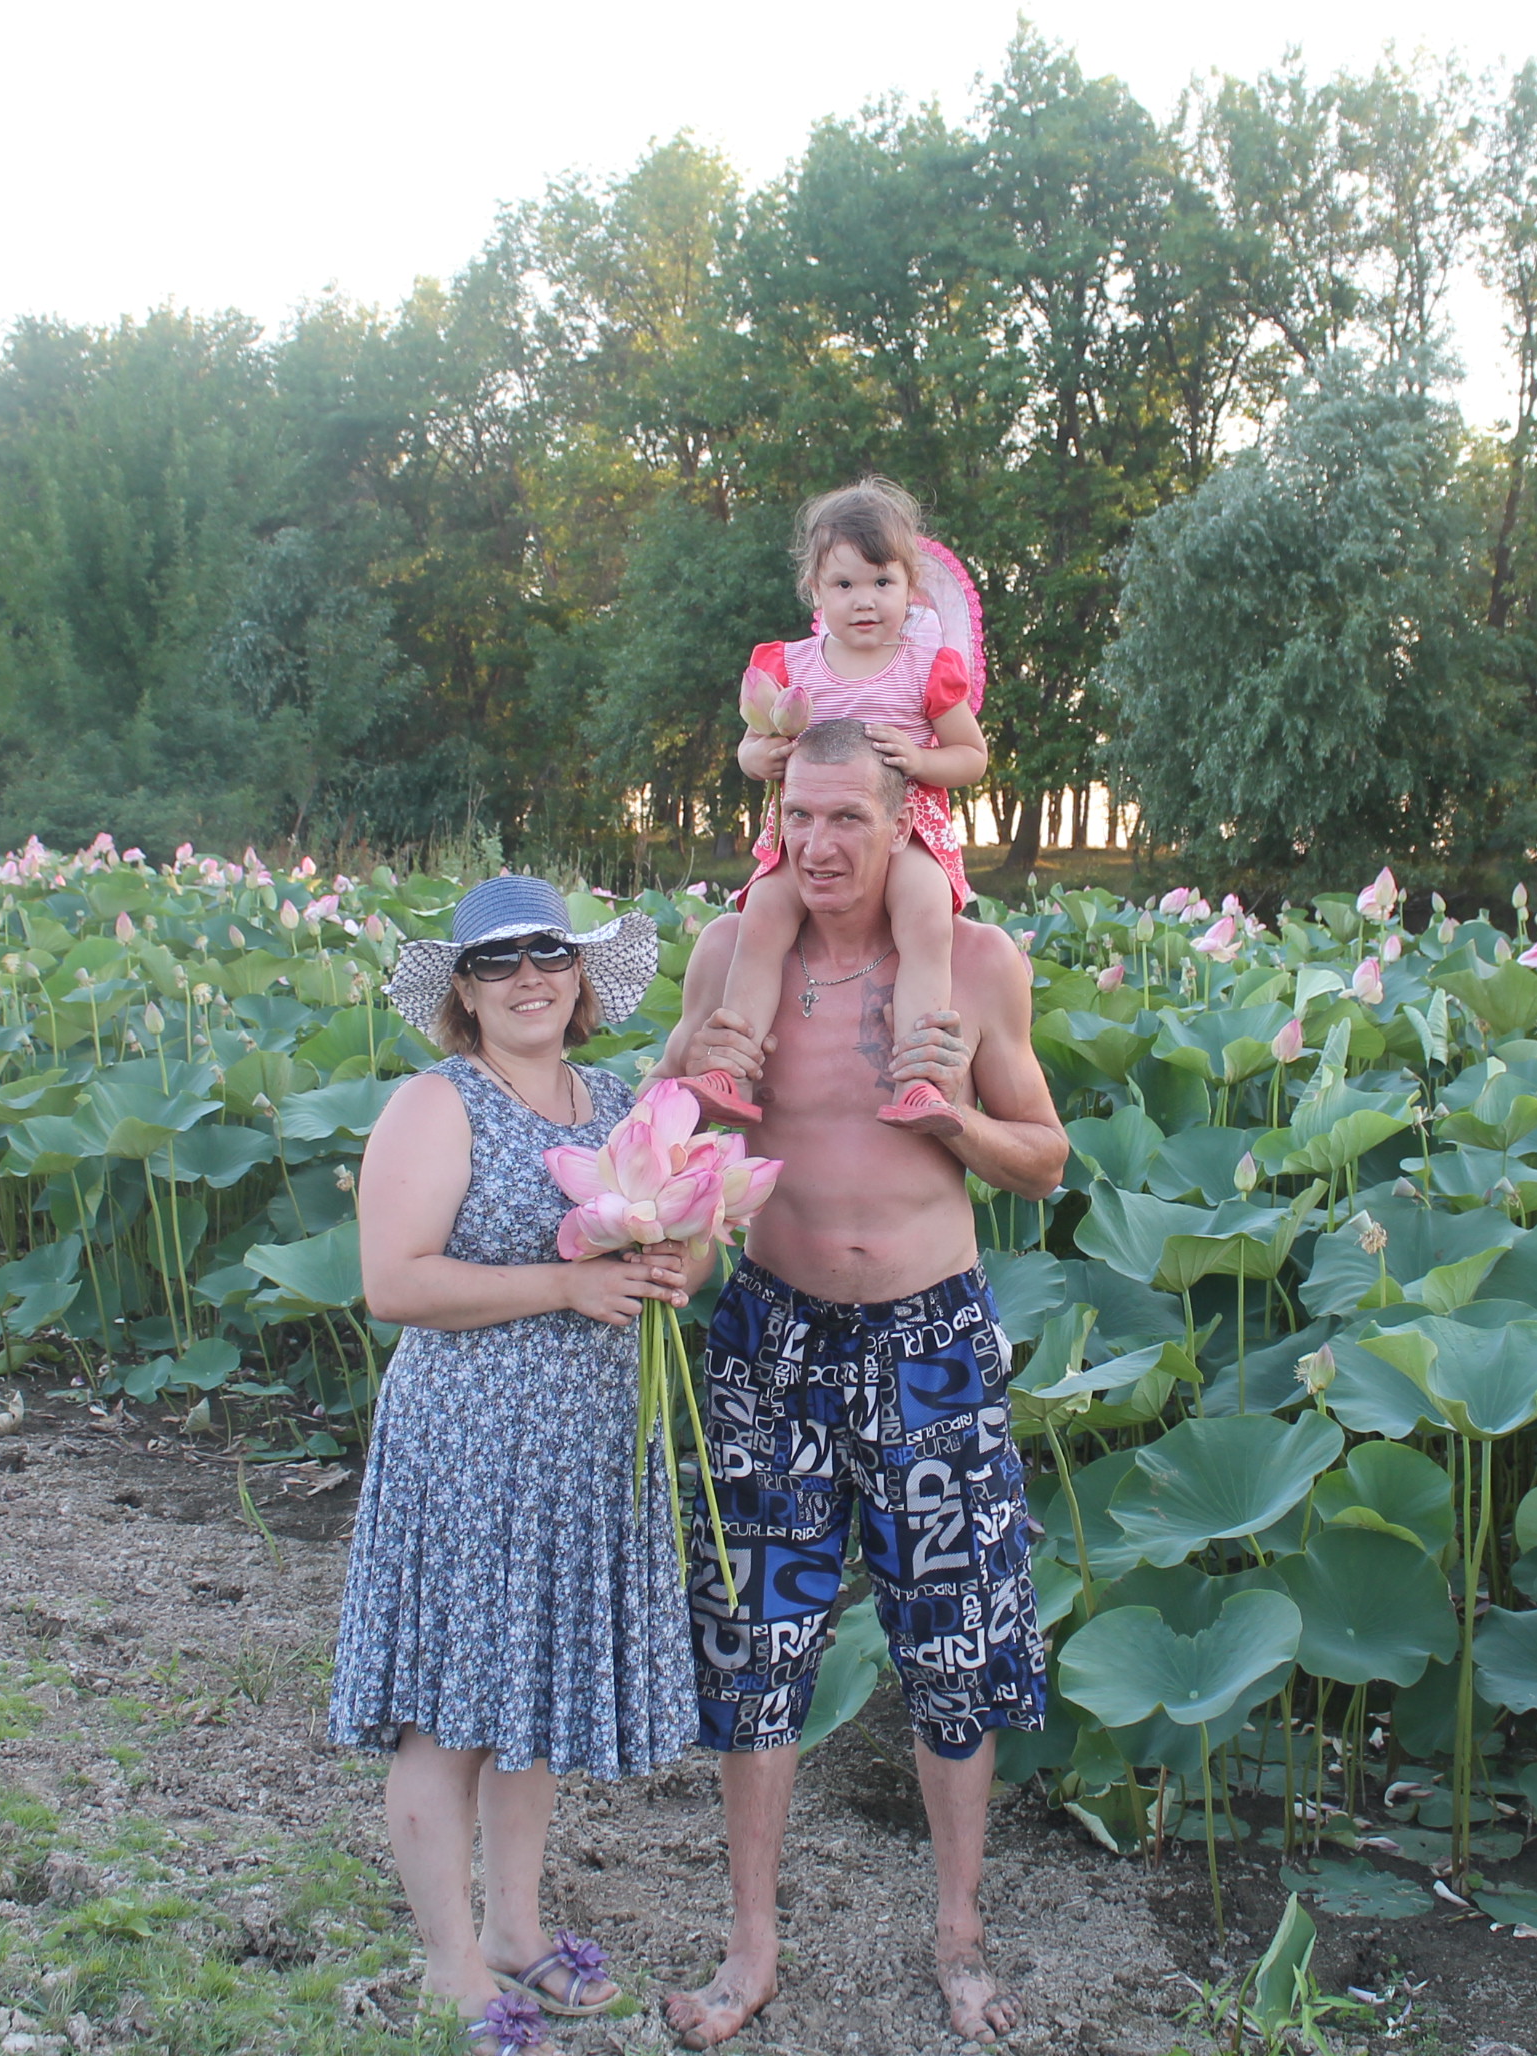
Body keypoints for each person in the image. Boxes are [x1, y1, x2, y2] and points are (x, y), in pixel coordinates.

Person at [653, 721, 1072, 2047]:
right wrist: (683, 1088)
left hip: (929, 1342)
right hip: (769, 1338)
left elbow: (1045, 1156)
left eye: (848, 819)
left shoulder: (975, 966)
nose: (819, 844)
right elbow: (671, 1121)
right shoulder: (734, 952)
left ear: (904, 825)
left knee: (953, 1643)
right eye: (798, 816)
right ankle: (750, 1947)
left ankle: (958, 1938)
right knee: (755, 1646)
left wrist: (953, 1118)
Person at [328, 874, 698, 2055]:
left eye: (549, 953)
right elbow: (393, 1282)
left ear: (581, 974)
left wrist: (671, 1262)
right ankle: (449, 1964)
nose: (529, 976)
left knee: (528, 1696)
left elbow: (673, 1238)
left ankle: (516, 1929)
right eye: (497, 961)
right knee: (449, 1711)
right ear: (465, 991)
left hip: (586, 1449)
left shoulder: (620, 1102)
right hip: (470, 1447)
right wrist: (565, 1285)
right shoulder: (437, 1104)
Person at [684, 478, 992, 1141]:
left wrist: (920, 760)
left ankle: (918, 1077)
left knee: (925, 915)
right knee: (763, 916)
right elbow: (751, 743)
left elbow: (971, 757)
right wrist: (759, 757)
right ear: (815, 590)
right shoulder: (791, 666)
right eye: (845, 584)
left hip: (906, 828)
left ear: (910, 587)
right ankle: (733, 1069)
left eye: (882, 582)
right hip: (810, 834)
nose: (865, 600)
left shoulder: (925, 667)